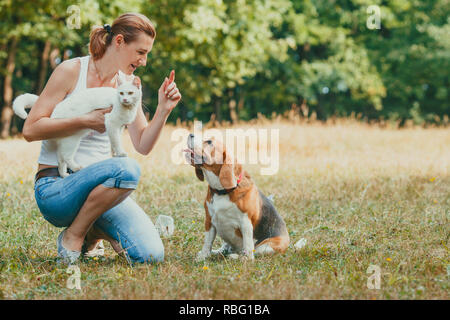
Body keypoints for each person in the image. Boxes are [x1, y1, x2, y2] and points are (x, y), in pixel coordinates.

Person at [22, 12, 181, 264]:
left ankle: (93, 230)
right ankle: (74, 235)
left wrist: (163, 110)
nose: (144, 61)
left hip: (101, 191)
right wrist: (86, 120)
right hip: (56, 188)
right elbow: (30, 130)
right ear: (118, 41)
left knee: (150, 255)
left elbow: (143, 144)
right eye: (140, 52)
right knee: (126, 169)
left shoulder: (127, 87)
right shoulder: (71, 70)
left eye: (147, 54)